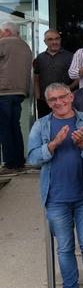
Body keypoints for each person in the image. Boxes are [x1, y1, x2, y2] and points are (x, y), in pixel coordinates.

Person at [27, 83, 83, 288]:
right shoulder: (42, 125)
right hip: (55, 197)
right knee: (65, 248)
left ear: (71, 97)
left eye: (62, 97)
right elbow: (32, 158)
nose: (58, 103)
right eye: (52, 100)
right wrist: (52, 145)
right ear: (48, 102)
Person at [0, 21, 33, 175]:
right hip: (20, 92)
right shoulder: (26, 46)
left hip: (4, 91)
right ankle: (19, 161)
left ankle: (9, 164)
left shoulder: (3, 43)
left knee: (5, 128)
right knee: (15, 126)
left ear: (7, 31)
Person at [33, 29, 74, 118]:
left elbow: (78, 77)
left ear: (60, 40)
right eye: (50, 39)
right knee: (44, 127)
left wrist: (69, 88)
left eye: (57, 39)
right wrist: (38, 97)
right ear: (45, 42)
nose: (54, 42)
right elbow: (36, 78)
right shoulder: (40, 58)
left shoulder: (70, 56)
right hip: (44, 101)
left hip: (63, 101)